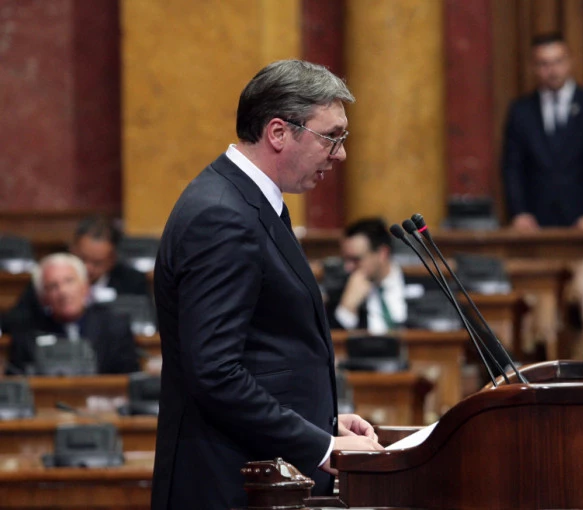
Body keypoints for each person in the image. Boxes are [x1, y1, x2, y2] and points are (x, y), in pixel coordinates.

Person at [150, 60, 383, 510]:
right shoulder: (222, 215)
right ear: (278, 132)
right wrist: (321, 446)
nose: (340, 154)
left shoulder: (249, 202)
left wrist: (321, 424)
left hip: (256, 476)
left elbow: (266, 351)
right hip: (227, 486)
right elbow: (215, 373)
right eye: (331, 136)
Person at [501, 32, 583, 322]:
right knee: (540, 314)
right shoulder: (521, 111)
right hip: (537, 229)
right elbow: (512, 167)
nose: (551, 70)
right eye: (543, 64)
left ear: (570, 62)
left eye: (557, 61)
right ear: (534, 67)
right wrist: (519, 213)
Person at [2, 216, 149, 331]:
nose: (87, 268)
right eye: (82, 258)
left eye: (97, 263)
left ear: (112, 259)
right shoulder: (51, 274)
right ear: (72, 249)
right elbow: (15, 319)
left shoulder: (132, 281)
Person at [4, 253, 140, 375]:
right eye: (53, 286)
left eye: (69, 281)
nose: (63, 292)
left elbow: (129, 379)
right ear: (43, 298)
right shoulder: (28, 334)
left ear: (85, 287)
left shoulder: (114, 328)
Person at [327, 218, 407, 333]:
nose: (347, 267)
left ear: (382, 253)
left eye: (356, 259)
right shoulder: (338, 291)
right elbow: (331, 339)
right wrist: (347, 308)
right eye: (346, 259)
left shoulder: (420, 284)